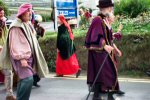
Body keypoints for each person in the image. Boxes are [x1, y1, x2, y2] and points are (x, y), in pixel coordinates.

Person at [0, 3, 49, 100]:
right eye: (28, 12)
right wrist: (22, 58)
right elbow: (15, 44)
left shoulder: (26, 23)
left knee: (24, 80)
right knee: (27, 79)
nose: (30, 14)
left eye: (31, 12)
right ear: (22, 13)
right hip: (21, 59)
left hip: (28, 58)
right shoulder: (16, 26)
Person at [85, 0, 124, 100]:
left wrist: (115, 49)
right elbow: (95, 36)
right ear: (105, 8)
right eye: (110, 7)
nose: (111, 9)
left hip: (105, 52)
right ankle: (100, 94)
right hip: (99, 52)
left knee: (106, 71)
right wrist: (104, 45)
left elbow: (109, 38)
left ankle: (110, 91)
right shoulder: (98, 20)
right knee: (106, 71)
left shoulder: (104, 19)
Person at [0, 7, 16, 100]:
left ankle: (9, 94)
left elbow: (6, 37)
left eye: (2, 13)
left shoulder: (4, 24)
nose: (2, 15)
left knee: (8, 72)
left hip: (3, 52)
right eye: (0, 13)